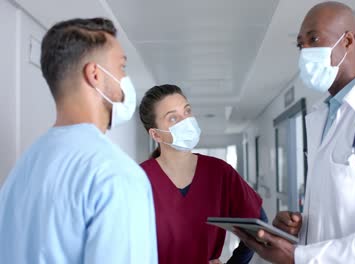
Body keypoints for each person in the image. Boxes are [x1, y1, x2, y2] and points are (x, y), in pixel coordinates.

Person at [233, 2, 355, 263]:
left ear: (347, 41)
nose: (305, 52)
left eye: (314, 39)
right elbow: (343, 212)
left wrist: (298, 256)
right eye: (300, 45)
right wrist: (301, 229)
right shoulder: (325, 116)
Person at [0, 18, 157, 263]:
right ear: (95, 74)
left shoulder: (20, 173)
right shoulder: (115, 174)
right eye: (122, 67)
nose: (125, 79)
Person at [139, 84, 267, 264]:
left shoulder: (219, 173)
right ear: (156, 135)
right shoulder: (138, 179)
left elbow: (258, 224)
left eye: (187, 111)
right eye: (173, 118)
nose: (186, 121)